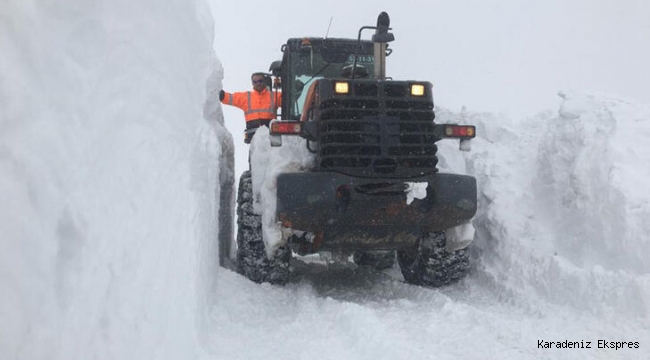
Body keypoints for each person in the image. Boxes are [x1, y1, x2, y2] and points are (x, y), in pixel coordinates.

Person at [220, 72, 282, 143]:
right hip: (253, 137)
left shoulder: (274, 96)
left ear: (264, 81)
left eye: (260, 81)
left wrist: (296, 88)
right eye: (255, 81)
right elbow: (231, 98)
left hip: (270, 137)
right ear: (252, 83)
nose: (258, 83)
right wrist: (221, 95)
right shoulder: (247, 97)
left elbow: (289, 99)